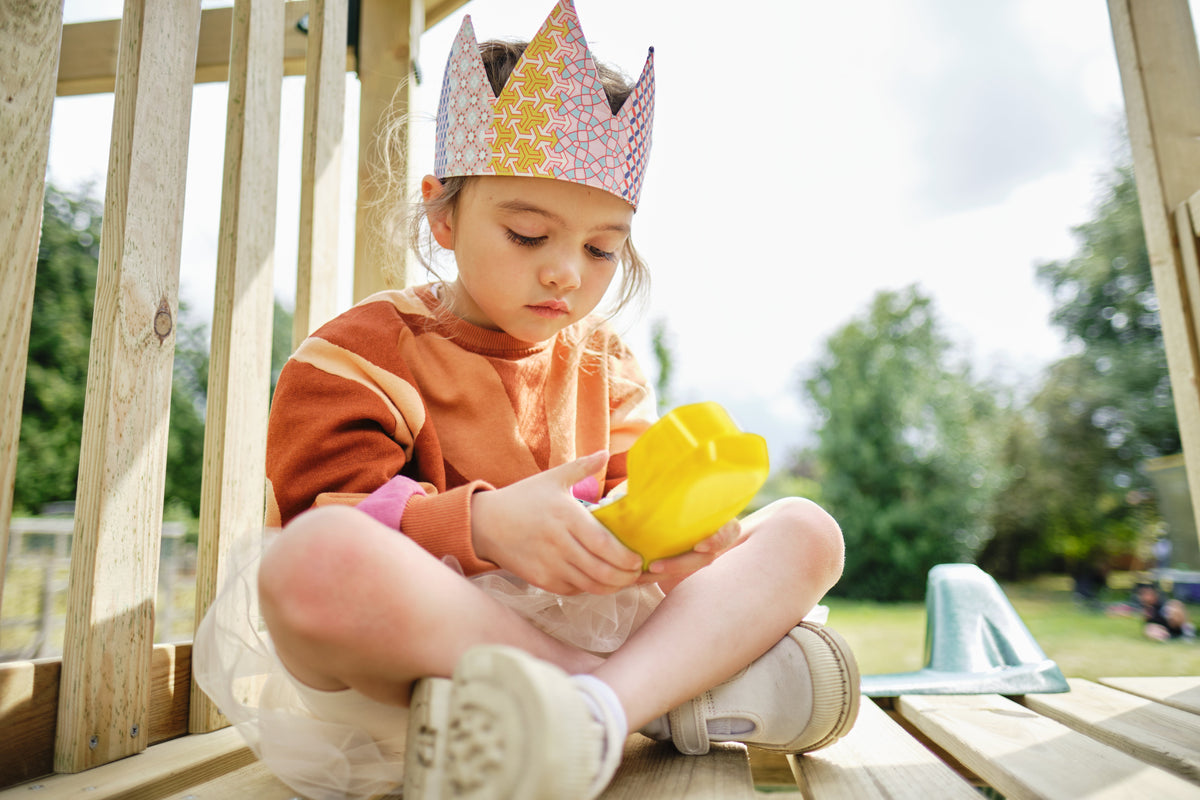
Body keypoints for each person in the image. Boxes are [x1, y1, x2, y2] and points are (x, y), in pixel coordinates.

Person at [195, 2, 859, 799]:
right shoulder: (361, 353)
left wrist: (677, 537)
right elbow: (324, 513)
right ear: (442, 213)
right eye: (528, 235)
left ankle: (597, 711)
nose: (566, 273)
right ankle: (640, 701)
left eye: (601, 248)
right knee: (310, 560)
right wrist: (481, 526)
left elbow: (631, 495)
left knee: (806, 530)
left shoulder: (605, 362)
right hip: (419, 664)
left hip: (594, 619)